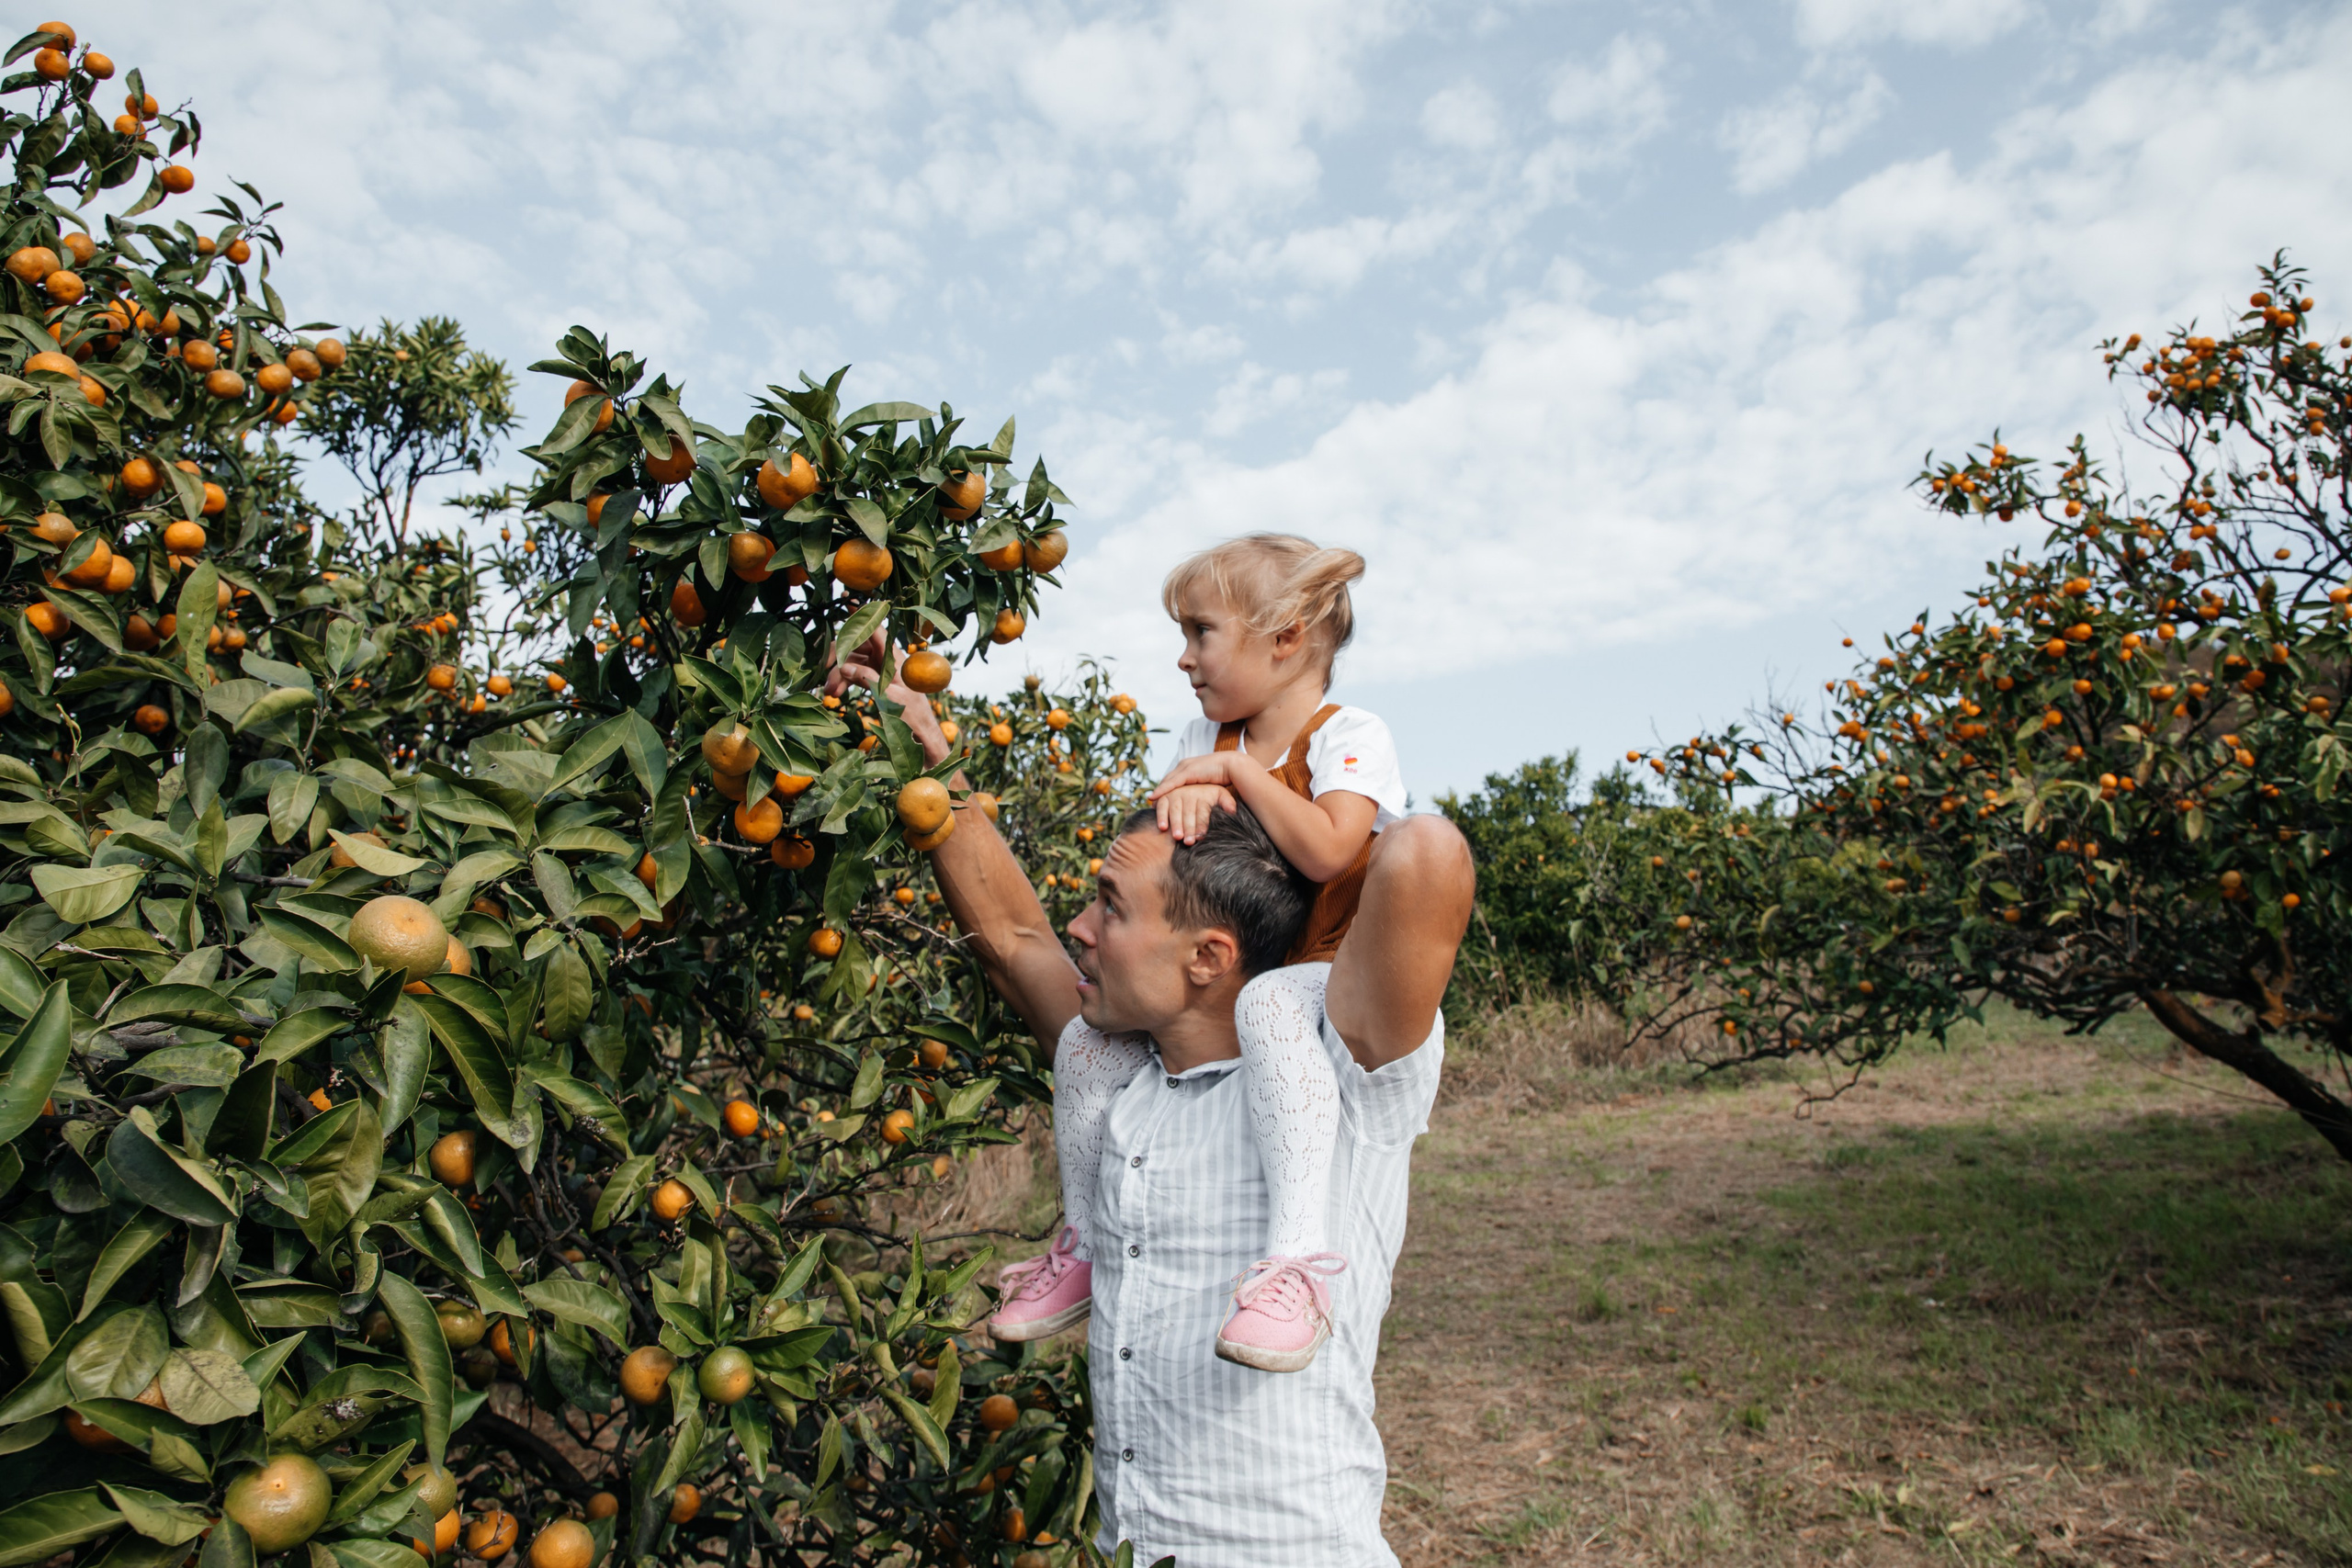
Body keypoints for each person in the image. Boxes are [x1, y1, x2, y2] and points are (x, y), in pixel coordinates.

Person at [825, 632, 1475, 1568]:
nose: (1080, 929)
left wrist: (1276, 789)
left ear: (1209, 958)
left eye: (1110, 907)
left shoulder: (1340, 1077)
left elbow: (1425, 857)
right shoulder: (1119, 1072)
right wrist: (923, 746)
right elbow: (1014, 939)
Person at [989, 534, 1402, 1375]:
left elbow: (1329, 850)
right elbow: (1168, 866)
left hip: (1326, 963)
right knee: (1086, 1042)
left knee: (1267, 1006)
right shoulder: (1205, 734)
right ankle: (1084, 1242)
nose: (1183, 659)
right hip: (1243, 967)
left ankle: (1295, 1258)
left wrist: (1231, 777)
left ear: (1286, 637)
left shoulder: (1348, 733)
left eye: (1202, 632)